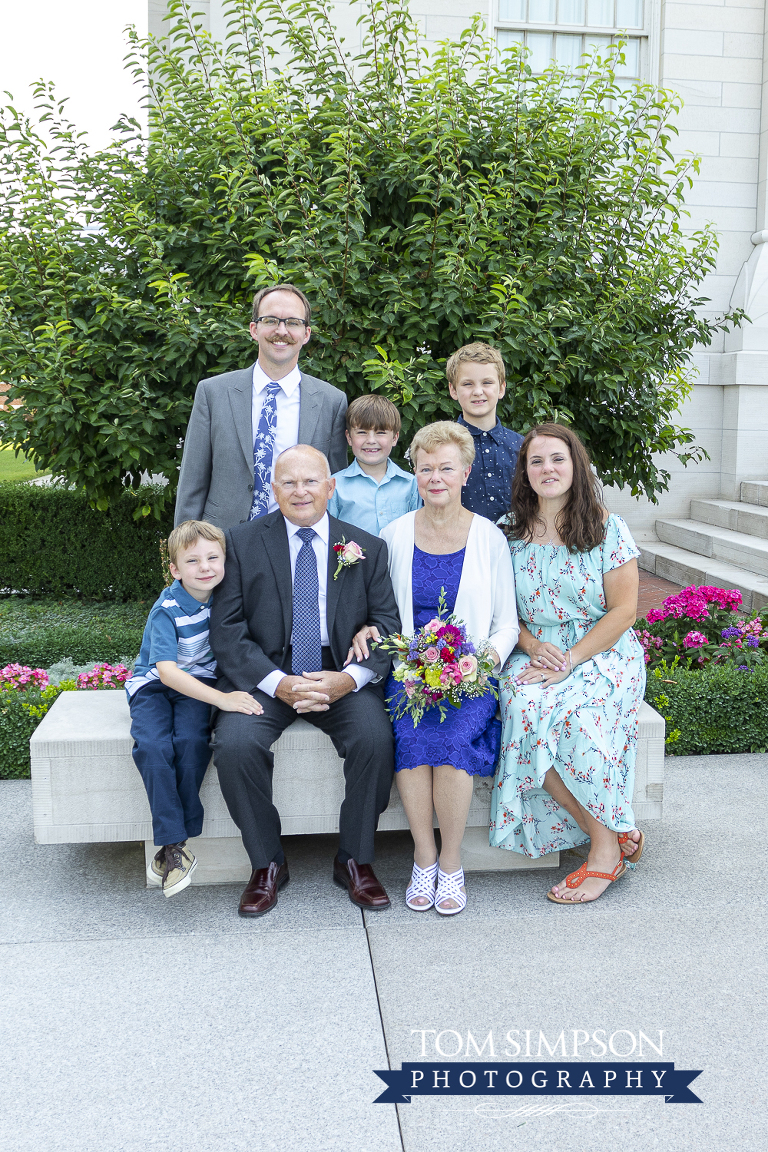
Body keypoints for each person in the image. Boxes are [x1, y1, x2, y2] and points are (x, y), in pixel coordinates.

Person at [208, 444, 401, 917]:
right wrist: (277, 683)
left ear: (330, 487)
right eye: (288, 482)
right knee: (234, 744)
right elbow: (227, 631)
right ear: (274, 489)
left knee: (376, 738)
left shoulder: (366, 548)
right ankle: (267, 864)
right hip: (267, 674)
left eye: (311, 480)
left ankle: (355, 859)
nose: (300, 491)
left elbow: (389, 627)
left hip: (336, 671)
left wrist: (348, 679)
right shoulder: (242, 541)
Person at [349, 422, 518, 915]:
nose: (436, 477)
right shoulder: (393, 535)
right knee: (411, 736)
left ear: (465, 472)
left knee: (451, 739)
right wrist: (379, 641)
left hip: (471, 674)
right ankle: (422, 856)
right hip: (407, 671)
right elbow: (378, 610)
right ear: (415, 475)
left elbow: (506, 625)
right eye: (426, 468)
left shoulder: (489, 538)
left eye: (447, 467)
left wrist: (475, 665)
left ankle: (450, 862)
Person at [489, 423, 646, 904]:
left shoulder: (605, 526)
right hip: (533, 651)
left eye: (557, 458)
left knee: (578, 717)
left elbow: (624, 610)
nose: (547, 469)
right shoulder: (506, 531)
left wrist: (573, 659)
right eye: (536, 461)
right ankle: (610, 839)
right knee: (524, 712)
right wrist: (535, 646)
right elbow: (500, 611)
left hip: (602, 651)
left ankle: (603, 854)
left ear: (575, 465)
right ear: (525, 472)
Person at [125, 520, 263, 897]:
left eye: (213, 558)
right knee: (153, 747)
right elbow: (167, 672)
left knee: (191, 741)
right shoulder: (167, 609)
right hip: (155, 685)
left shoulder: (226, 599)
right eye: (192, 561)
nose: (205, 567)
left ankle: (172, 848)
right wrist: (222, 699)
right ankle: (175, 844)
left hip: (197, 687)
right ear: (175, 569)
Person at [174, 283, 348, 530]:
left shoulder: (331, 402)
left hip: (298, 543)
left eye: (293, 322)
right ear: (254, 329)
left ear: (306, 334)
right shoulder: (213, 393)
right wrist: (187, 548)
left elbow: (334, 487)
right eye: (271, 320)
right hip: (222, 543)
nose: (281, 330)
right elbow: (192, 482)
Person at [447, 342, 524, 523]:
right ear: (453, 390)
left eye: (487, 382)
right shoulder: (442, 446)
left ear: (502, 388)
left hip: (515, 548)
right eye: (467, 384)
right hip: (460, 546)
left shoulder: (522, 446)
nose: (478, 391)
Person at [328, 394, 420, 535]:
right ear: (349, 437)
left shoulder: (410, 484)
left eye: (380, 432)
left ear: (395, 438)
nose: (371, 440)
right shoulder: (335, 486)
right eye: (362, 432)